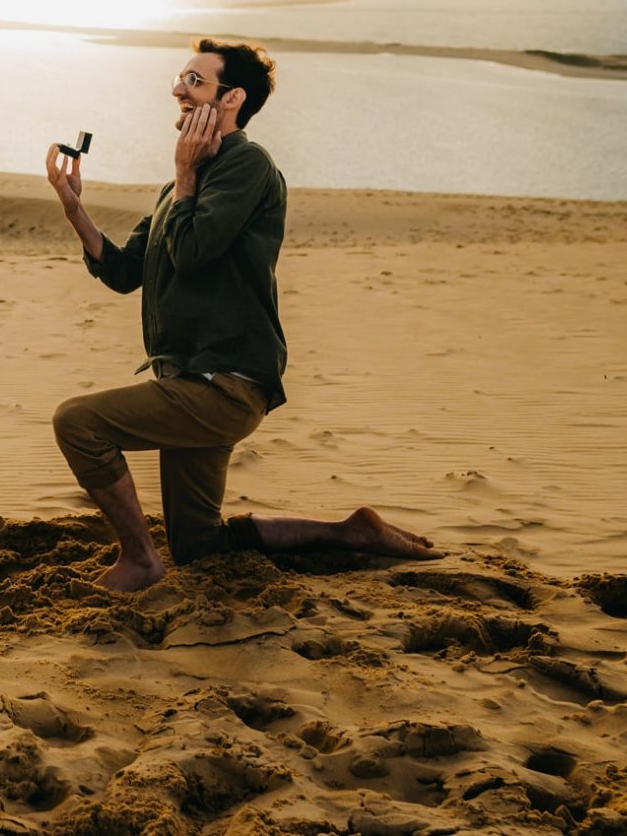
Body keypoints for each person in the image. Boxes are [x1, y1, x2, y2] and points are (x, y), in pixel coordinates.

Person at [45, 38, 439, 592]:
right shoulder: (179, 185)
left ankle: (139, 560)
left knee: (77, 423)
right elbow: (125, 271)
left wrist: (184, 175)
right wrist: (74, 209)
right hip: (190, 380)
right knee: (200, 546)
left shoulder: (247, 166)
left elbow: (193, 250)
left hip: (223, 384)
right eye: (180, 77)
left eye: (194, 81)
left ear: (232, 100)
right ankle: (351, 531)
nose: (177, 89)